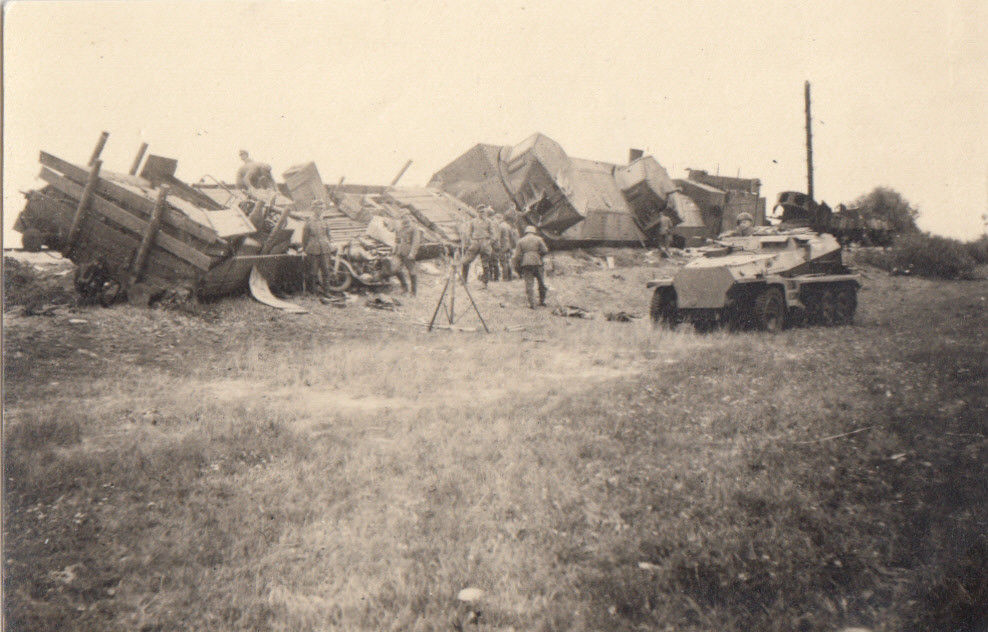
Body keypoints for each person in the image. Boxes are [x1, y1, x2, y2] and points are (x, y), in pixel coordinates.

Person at [512, 225, 549, 309]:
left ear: (526, 232)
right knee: (541, 283)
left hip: (526, 263)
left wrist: (519, 264)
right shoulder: (539, 239)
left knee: (529, 284)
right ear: (534, 232)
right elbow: (545, 250)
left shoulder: (521, 241)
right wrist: (539, 256)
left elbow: (517, 256)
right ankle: (542, 301)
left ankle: (532, 304)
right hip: (537, 262)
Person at [301, 200, 334, 294]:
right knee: (313, 272)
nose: (321, 210)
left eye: (322, 208)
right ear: (314, 209)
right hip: (313, 250)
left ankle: (327, 291)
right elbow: (304, 238)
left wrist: (329, 244)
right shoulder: (309, 223)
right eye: (319, 208)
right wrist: (305, 249)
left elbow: (328, 235)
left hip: (325, 249)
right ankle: (314, 292)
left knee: (326, 271)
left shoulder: (325, 222)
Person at [460, 206, 495, 288]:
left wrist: (488, 243)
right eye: (479, 211)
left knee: (485, 264)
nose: (481, 213)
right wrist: (471, 241)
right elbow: (469, 233)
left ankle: (484, 283)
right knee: (465, 261)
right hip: (475, 243)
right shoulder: (473, 222)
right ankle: (464, 280)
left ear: (485, 212)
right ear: (477, 212)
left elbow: (493, 235)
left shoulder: (489, 222)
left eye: (483, 211)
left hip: (485, 243)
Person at [393, 214, 422, 295]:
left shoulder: (414, 228)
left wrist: (412, 253)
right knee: (396, 269)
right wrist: (395, 250)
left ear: (409, 217)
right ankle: (404, 288)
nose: (404, 219)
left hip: (408, 253)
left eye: (405, 217)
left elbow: (416, 242)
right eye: (402, 217)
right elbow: (397, 240)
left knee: (412, 272)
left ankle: (413, 292)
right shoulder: (400, 228)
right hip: (400, 252)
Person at [496, 212, 520, 281]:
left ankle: (505, 278)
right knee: (508, 261)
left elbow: (498, 237)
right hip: (508, 246)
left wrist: (497, 246)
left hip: (503, 246)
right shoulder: (508, 226)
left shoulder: (500, 226)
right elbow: (512, 237)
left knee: (503, 262)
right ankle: (510, 277)